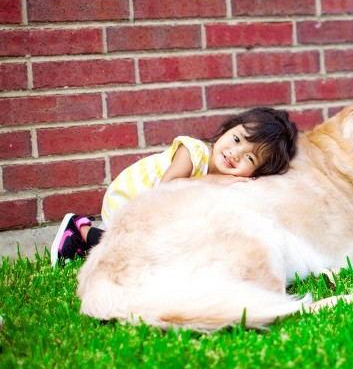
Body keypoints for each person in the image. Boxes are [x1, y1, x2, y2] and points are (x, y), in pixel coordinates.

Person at [50, 107, 298, 267]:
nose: (235, 153)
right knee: (144, 252)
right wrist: (212, 181)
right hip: (131, 199)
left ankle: (101, 243)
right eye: (236, 139)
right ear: (227, 129)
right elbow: (166, 188)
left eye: (250, 158)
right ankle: (80, 231)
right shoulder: (193, 152)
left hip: (155, 216)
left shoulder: (229, 181)